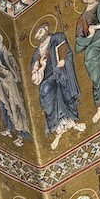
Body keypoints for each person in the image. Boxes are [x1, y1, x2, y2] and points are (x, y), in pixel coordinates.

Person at [30, 21, 84, 149]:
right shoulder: (36, 53)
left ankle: (73, 121)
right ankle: (56, 130)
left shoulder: (57, 37)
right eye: (37, 34)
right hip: (47, 77)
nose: (39, 35)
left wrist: (63, 61)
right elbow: (35, 73)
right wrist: (41, 67)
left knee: (65, 89)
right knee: (45, 90)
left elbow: (66, 52)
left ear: (46, 28)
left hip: (60, 71)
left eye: (40, 31)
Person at [0, 26, 31, 146]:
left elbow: (15, 67)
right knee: (3, 105)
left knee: (14, 107)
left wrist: (11, 73)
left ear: (1, 38)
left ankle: (21, 134)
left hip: (10, 82)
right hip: (1, 82)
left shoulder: (7, 53)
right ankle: (9, 128)